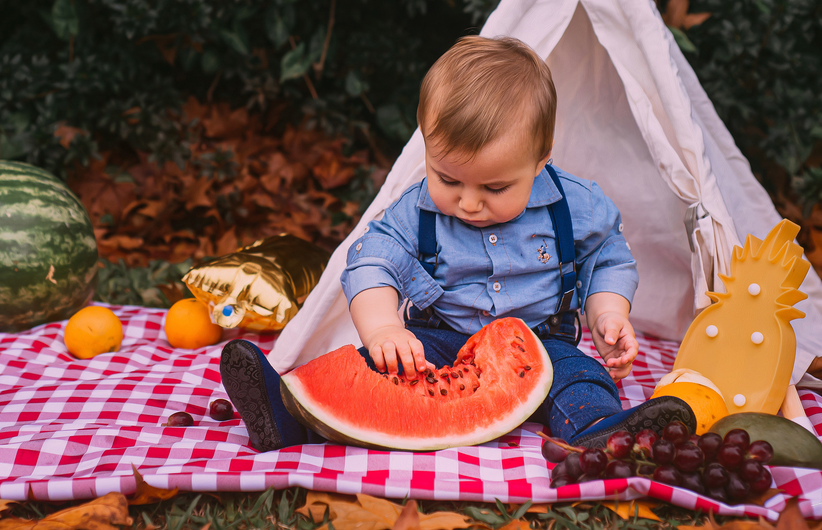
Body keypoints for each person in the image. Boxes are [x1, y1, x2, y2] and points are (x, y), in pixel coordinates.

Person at [220, 36, 693, 452]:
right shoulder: (415, 210)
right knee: (369, 371)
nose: (468, 203)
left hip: (541, 341)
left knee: (579, 375)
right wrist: (384, 331)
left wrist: (608, 314)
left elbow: (608, 256)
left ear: (541, 158)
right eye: (448, 178)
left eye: (495, 188)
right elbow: (370, 263)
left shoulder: (576, 206)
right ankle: (287, 414)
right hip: (439, 339)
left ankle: (600, 430)